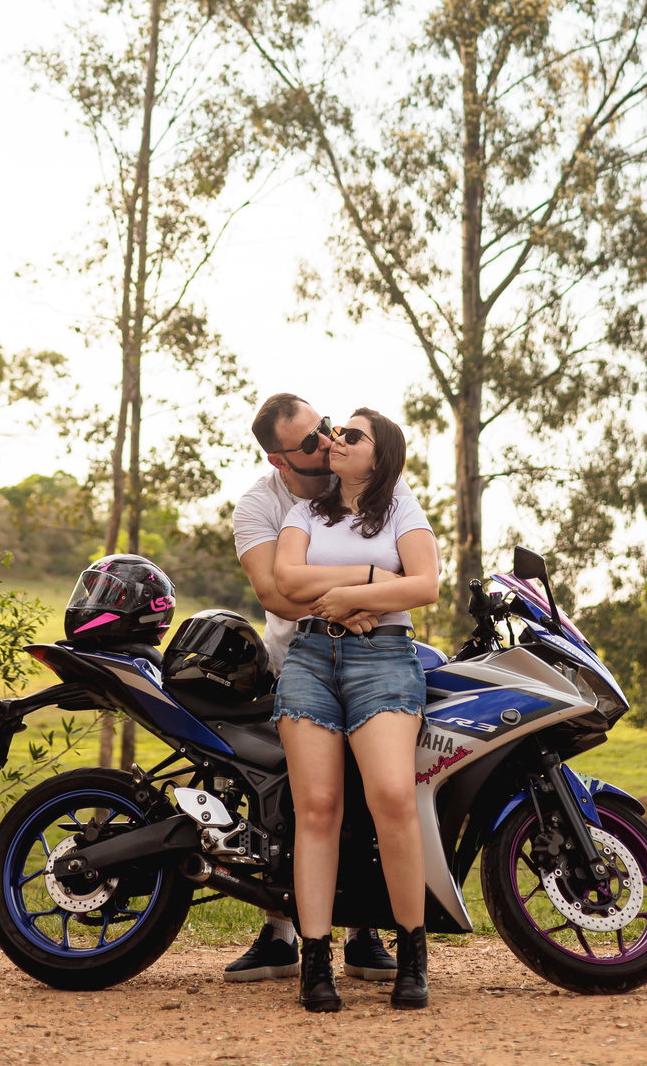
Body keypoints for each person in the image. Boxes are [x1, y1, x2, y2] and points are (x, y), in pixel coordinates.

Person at [225, 391, 409, 985]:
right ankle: (282, 932)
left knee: (370, 790)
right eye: (310, 442)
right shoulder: (263, 505)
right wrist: (356, 596)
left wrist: (361, 594)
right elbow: (277, 594)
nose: (327, 441)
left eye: (327, 428)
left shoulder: (353, 483)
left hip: (372, 643)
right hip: (295, 652)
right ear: (281, 460)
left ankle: (364, 931)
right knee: (298, 798)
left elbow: (414, 572)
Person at [273, 408, 439, 1013]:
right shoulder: (305, 512)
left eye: (352, 435)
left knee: (392, 795)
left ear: (381, 453)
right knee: (316, 807)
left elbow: (424, 586)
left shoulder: (401, 506)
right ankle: (314, 962)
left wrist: (348, 596)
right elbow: (286, 580)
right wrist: (366, 580)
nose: (336, 439)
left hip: (386, 659)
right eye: (335, 431)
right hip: (312, 658)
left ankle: (413, 951)